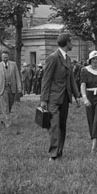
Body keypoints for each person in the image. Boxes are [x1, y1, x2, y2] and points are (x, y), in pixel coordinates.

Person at [41, 33, 82, 161]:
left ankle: (59, 152)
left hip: (65, 98)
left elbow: (71, 80)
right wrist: (43, 100)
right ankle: (53, 155)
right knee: (54, 126)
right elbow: (46, 80)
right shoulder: (53, 58)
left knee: (62, 125)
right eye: (71, 41)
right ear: (67, 43)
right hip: (53, 98)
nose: (73, 43)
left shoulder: (68, 59)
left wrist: (77, 96)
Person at [0, 51, 22, 129]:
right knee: (5, 105)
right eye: (4, 57)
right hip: (3, 88)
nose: (5, 59)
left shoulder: (13, 64)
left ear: (8, 57)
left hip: (12, 88)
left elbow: (17, 76)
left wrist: (19, 87)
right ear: (1, 58)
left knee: (10, 104)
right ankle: (7, 122)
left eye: (6, 57)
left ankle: (5, 118)